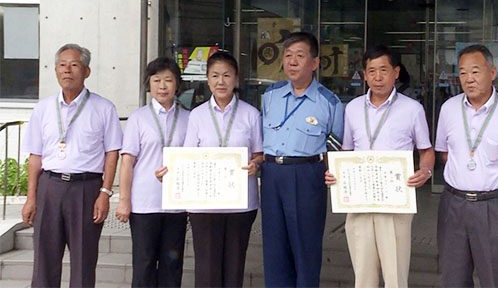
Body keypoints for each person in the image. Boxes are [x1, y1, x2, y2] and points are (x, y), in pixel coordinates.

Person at [325, 45, 435, 287]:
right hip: (360, 200)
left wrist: (425, 172)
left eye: (383, 70)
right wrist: (336, 174)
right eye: (371, 71)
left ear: (395, 72)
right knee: (363, 275)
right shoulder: (352, 108)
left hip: (395, 202)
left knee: (395, 274)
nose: (377, 77)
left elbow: (426, 151)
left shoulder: (412, 109)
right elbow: (347, 152)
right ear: (364, 75)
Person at [21, 43, 123, 287]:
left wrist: (105, 193)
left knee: (83, 260)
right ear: (55, 70)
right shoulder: (43, 109)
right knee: (44, 259)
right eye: (62, 65)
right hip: (50, 186)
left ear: (86, 71)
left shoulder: (103, 108)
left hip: (86, 189)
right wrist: (31, 196)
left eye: (74, 65)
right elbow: (35, 156)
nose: (67, 70)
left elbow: (112, 153)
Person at [435, 44, 498, 287]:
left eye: (475, 71)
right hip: (453, 204)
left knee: (494, 278)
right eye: (463, 73)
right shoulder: (448, 109)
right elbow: (445, 153)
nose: (469, 79)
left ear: (493, 72)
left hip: (494, 206)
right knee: (453, 278)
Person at [261, 31, 344, 287]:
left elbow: (336, 149)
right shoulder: (270, 96)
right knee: (274, 248)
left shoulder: (330, 102)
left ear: (315, 63)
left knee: (305, 248)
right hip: (272, 174)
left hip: (308, 175)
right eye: (288, 56)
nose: (292, 62)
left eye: (300, 56)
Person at [177, 51, 263, 287]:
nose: (221, 81)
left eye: (227, 75)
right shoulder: (197, 115)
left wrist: (256, 164)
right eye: (215, 75)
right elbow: (187, 156)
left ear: (236, 79)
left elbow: (259, 153)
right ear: (207, 79)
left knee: (234, 268)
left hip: (240, 205)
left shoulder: (251, 115)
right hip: (204, 205)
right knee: (206, 269)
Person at [114, 57, 189, 287]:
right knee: (144, 264)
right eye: (157, 80)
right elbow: (127, 162)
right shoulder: (138, 118)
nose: (163, 86)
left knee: (172, 264)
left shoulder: (189, 117)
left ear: (177, 84)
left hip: (177, 203)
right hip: (145, 203)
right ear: (149, 84)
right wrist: (124, 200)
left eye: (168, 80)